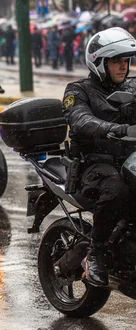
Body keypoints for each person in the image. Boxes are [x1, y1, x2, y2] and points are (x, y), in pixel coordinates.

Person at [62, 27, 136, 287]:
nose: (123, 67)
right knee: (118, 192)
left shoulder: (132, 86)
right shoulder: (78, 90)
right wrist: (115, 129)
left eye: (126, 61)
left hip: (129, 159)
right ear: (99, 63)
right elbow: (80, 119)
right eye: (117, 61)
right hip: (94, 163)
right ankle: (95, 252)